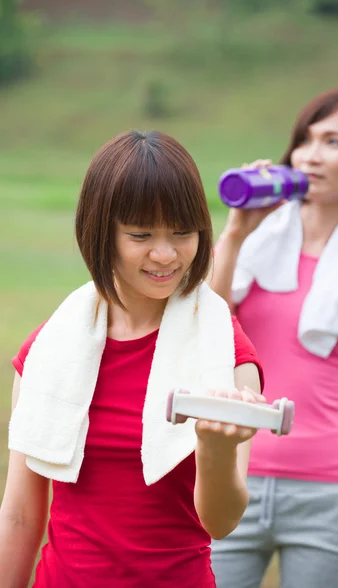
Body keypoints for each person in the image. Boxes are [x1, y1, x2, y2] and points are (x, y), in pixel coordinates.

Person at [0, 130, 267, 588]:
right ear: (100, 231)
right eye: (140, 234)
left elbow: (221, 523)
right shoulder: (48, 348)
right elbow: (21, 515)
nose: (165, 254)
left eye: (183, 233)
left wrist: (217, 450)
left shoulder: (226, 352)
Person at [209, 87, 338, 588]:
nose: (311, 155)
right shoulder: (252, 241)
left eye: (334, 142)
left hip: (328, 495)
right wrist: (234, 235)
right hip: (227, 478)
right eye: (305, 140)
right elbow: (200, 326)